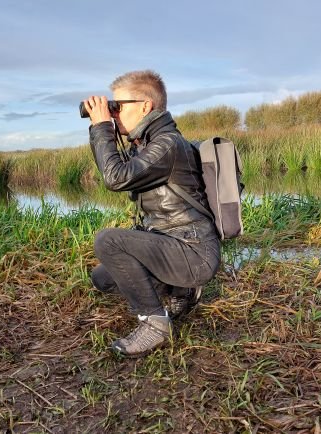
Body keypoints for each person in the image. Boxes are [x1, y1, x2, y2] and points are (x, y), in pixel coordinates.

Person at [83, 70, 220, 358]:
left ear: (145, 106)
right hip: (172, 242)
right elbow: (119, 173)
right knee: (102, 279)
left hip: (194, 251)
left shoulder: (166, 144)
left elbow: (115, 178)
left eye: (118, 107)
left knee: (108, 241)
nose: (113, 113)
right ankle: (181, 289)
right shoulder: (145, 143)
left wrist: (101, 128)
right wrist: (107, 131)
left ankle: (154, 323)